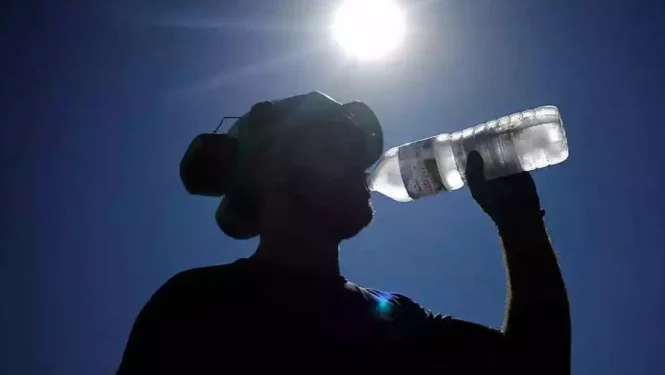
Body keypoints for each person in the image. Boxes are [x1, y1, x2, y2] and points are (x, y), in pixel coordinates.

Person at [116, 92, 571, 375]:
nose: (356, 165)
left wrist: (520, 225)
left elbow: (537, 368)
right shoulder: (198, 304)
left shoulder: (399, 318)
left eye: (356, 149)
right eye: (334, 146)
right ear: (272, 171)